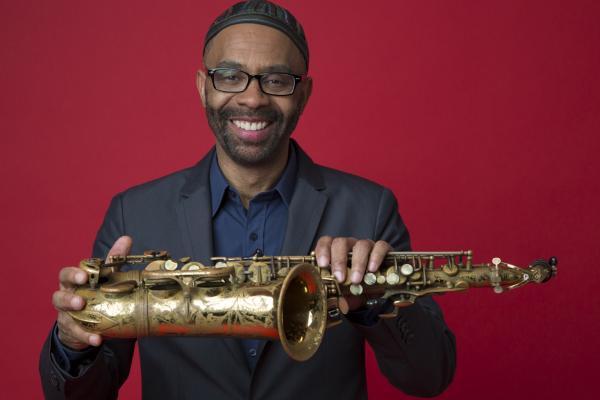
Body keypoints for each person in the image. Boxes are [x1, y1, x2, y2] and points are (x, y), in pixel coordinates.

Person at [39, 1, 456, 398]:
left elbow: (429, 377)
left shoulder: (370, 208)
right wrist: (73, 341)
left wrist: (374, 302)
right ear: (204, 88)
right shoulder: (134, 212)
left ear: (304, 94)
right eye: (230, 76)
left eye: (276, 80)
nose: (252, 98)